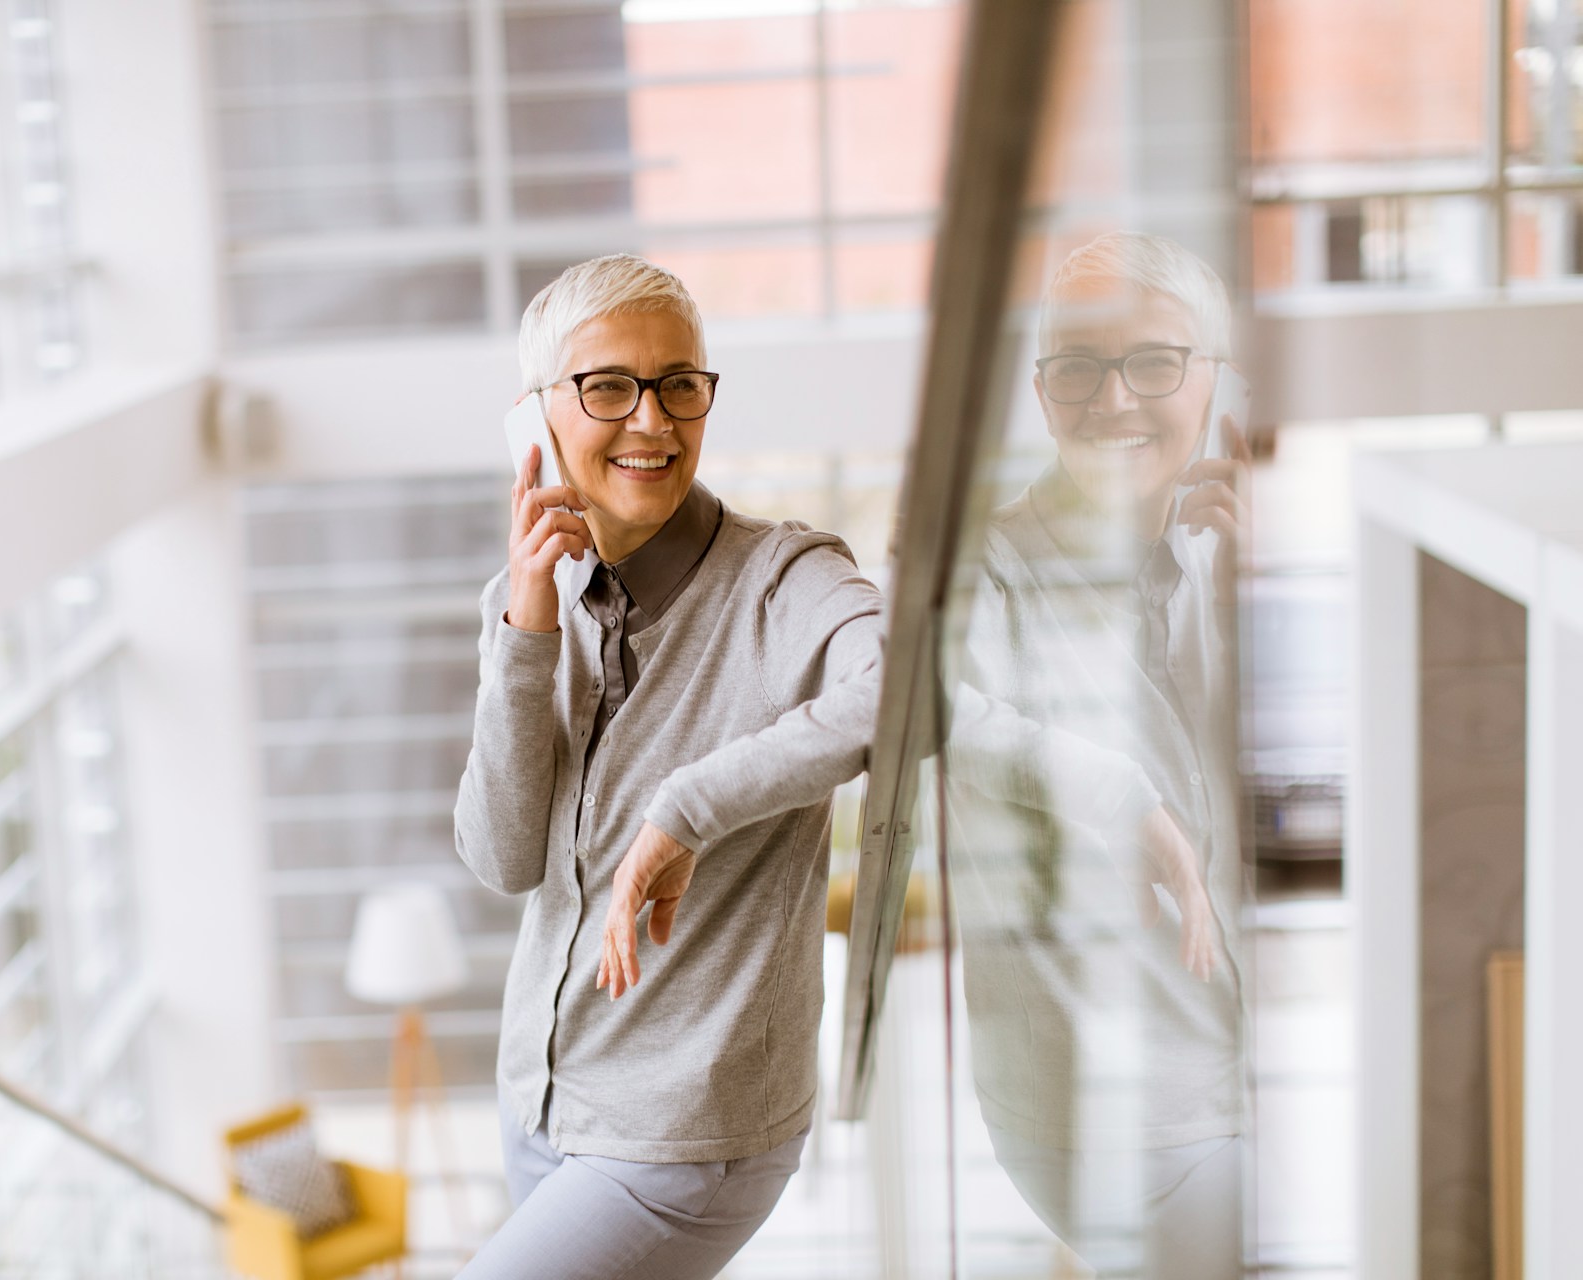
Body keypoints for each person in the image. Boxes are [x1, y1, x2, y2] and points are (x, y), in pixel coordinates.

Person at [452, 253, 885, 1279]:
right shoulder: (527, 598)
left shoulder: (786, 578)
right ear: (536, 419)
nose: (652, 421)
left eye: (678, 384)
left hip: (687, 1133)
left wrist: (687, 807)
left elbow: (908, 688)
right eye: (609, 386)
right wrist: (525, 626)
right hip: (546, 1103)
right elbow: (503, 857)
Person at [943, 231, 1251, 1279]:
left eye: (1156, 362)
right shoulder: (988, 558)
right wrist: (1122, 799)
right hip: (1106, 1104)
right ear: (1039, 388)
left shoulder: (1223, 551)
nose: (1114, 399)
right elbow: (943, 714)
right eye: (1077, 366)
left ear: (1213, 377)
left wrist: (1238, 590)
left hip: (1238, 1067)